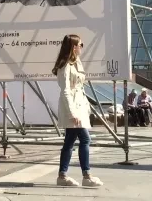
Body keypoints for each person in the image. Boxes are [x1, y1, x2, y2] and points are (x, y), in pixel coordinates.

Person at [52, 34, 103, 187]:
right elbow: (66, 91)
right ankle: (86, 176)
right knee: (85, 139)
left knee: (69, 141)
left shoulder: (76, 63)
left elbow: (80, 88)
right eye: (80, 44)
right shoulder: (65, 66)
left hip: (79, 107)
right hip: (73, 108)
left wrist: (85, 108)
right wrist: (72, 113)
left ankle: (63, 176)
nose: (81, 47)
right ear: (74, 47)